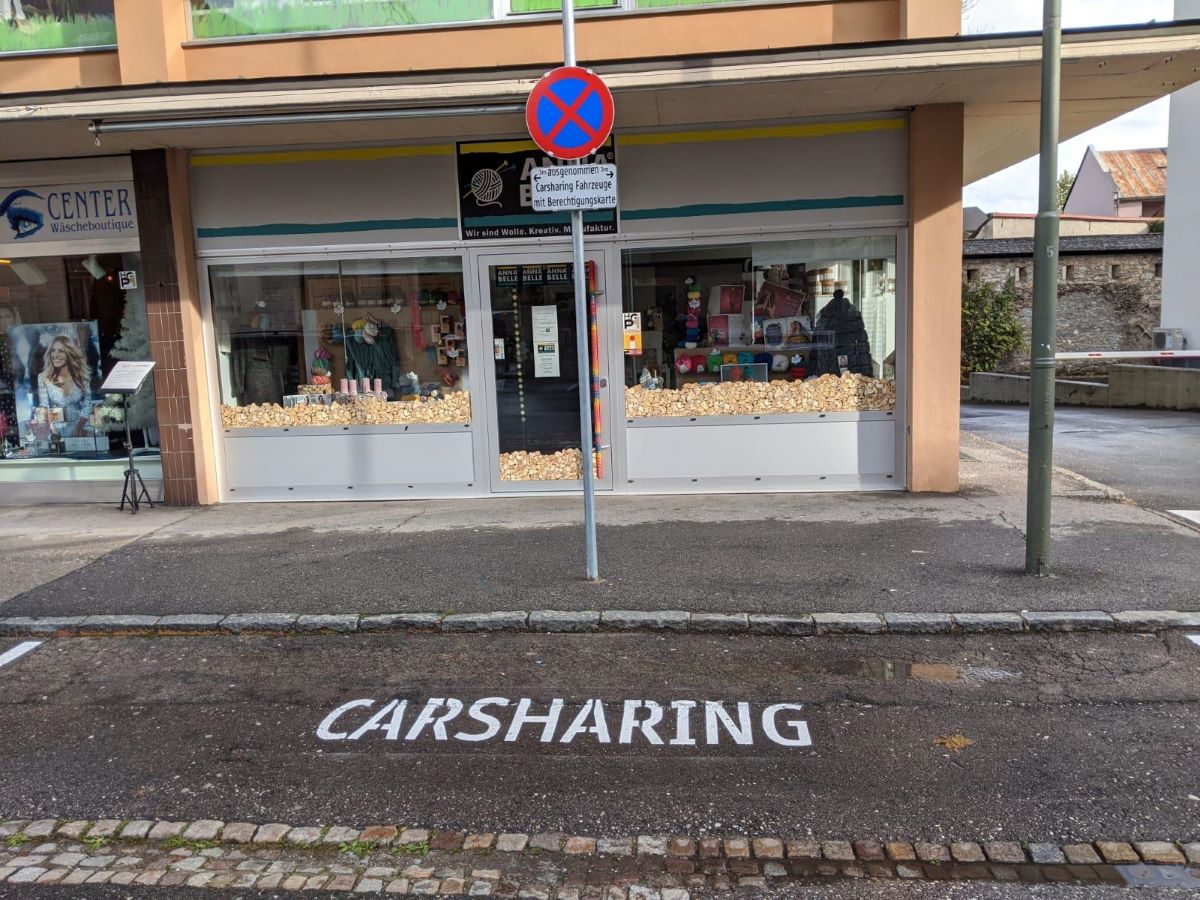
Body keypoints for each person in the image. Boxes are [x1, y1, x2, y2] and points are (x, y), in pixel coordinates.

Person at [37, 333, 93, 438]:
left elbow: (87, 405)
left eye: (61, 351)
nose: (55, 355)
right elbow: (44, 407)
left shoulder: (81, 376)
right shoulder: (43, 378)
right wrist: (52, 430)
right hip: (55, 431)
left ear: (69, 353)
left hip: (80, 427)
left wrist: (79, 427)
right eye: (53, 351)